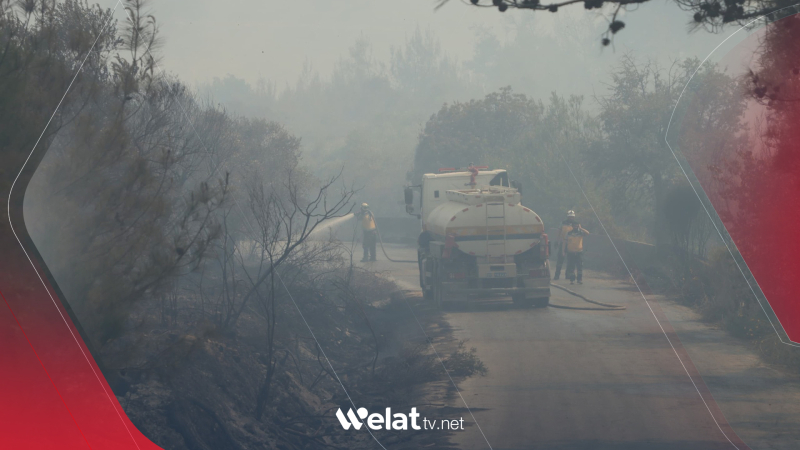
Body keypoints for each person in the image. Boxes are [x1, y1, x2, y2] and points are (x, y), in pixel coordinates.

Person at [553, 210, 576, 280]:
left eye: (572, 217)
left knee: (570, 260)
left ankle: (568, 275)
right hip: (563, 243)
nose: (571, 218)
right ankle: (557, 275)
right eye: (570, 217)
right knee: (560, 260)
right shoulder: (563, 223)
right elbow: (559, 232)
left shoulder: (576, 224)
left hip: (571, 245)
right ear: (567, 217)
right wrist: (557, 241)